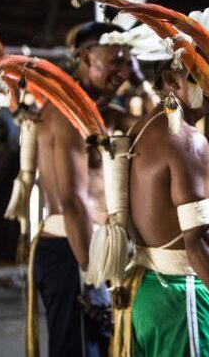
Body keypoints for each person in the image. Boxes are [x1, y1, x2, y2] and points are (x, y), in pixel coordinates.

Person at [124, 61, 209, 357]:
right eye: (206, 77)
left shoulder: (142, 129)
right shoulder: (186, 140)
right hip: (182, 295)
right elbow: (198, 240)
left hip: (147, 291)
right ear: (171, 80)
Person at [32, 21, 134, 357]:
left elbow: (160, 127)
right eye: (115, 61)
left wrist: (143, 81)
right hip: (73, 252)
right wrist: (91, 276)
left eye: (128, 61)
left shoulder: (104, 114)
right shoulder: (67, 114)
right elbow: (73, 201)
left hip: (92, 252)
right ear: (87, 57)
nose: (124, 71)